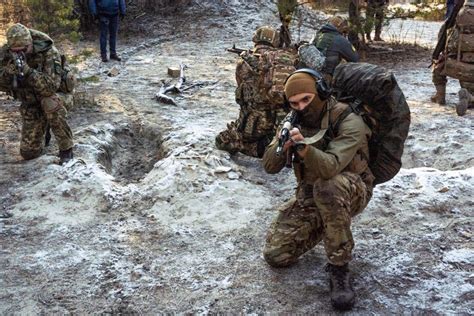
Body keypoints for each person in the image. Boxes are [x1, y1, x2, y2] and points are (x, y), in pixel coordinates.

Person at [262, 69, 374, 311]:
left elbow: (330, 167)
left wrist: (304, 148)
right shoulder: (293, 121)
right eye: (294, 103)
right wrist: (282, 142)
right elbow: (270, 166)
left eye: (306, 99)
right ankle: (331, 223)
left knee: (328, 186)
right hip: (312, 195)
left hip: (350, 188)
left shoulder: (348, 119)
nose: (301, 107)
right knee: (276, 254)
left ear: (320, 92)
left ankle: (339, 267)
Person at [215, 26, 298, 158]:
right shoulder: (285, 60)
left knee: (221, 140)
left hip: (253, 124)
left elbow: (242, 89)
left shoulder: (244, 62)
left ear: (256, 40)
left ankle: (256, 148)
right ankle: (276, 143)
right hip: (283, 122)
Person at [0, 23, 74, 164]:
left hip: (57, 98)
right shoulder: (8, 54)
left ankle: (66, 149)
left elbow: (50, 88)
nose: (19, 54)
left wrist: (28, 71)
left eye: (23, 50)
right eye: (15, 51)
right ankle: (42, 128)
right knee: (29, 153)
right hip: (32, 102)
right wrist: (8, 74)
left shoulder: (49, 52)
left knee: (49, 103)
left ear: (30, 44)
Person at [431, 0, 474, 115]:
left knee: (439, 65)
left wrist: (437, 55)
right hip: (470, 73)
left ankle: (440, 96)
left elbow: (444, 36)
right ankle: (470, 97)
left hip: (457, 65)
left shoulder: (458, 13)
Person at [311, 16, 359, 82]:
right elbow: (355, 58)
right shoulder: (339, 39)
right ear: (339, 26)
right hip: (328, 77)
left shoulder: (318, 35)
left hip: (313, 73)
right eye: (343, 26)